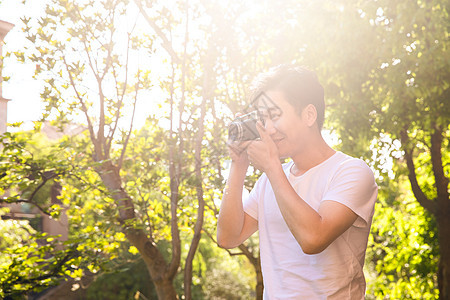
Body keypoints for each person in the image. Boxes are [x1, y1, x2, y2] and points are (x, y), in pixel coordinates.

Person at [217, 65, 378, 299]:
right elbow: (228, 237)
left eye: (274, 116)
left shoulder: (350, 172)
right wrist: (238, 165)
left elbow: (313, 239)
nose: (268, 129)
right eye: (263, 119)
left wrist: (272, 167)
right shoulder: (268, 180)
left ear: (309, 115)